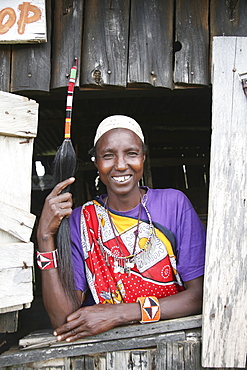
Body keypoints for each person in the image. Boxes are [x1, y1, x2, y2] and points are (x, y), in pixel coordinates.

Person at [37, 115, 206, 343]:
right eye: (108, 156)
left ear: (143, 158)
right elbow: (63, 321)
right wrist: (45, 237)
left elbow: (199, 296)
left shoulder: (174, 205)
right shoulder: (81, 221)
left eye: (131, 153)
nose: (120, 165)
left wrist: (121, 313)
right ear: (96, 162)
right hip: (104, 352)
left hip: (175, 343)